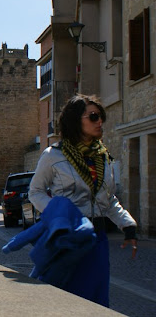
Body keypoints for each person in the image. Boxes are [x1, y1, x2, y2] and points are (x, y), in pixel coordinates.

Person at [28, 94, 137, 307]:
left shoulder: (102, 157)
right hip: (68, 238)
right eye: (94, 117)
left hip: (96, 239)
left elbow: (108, 199)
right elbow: (36, 191)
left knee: (96, 298)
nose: (100, 122)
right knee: (66, 297)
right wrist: (60, 212)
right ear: (75, 120)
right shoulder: (53, 155)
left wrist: (127, 223)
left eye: (101, 117)